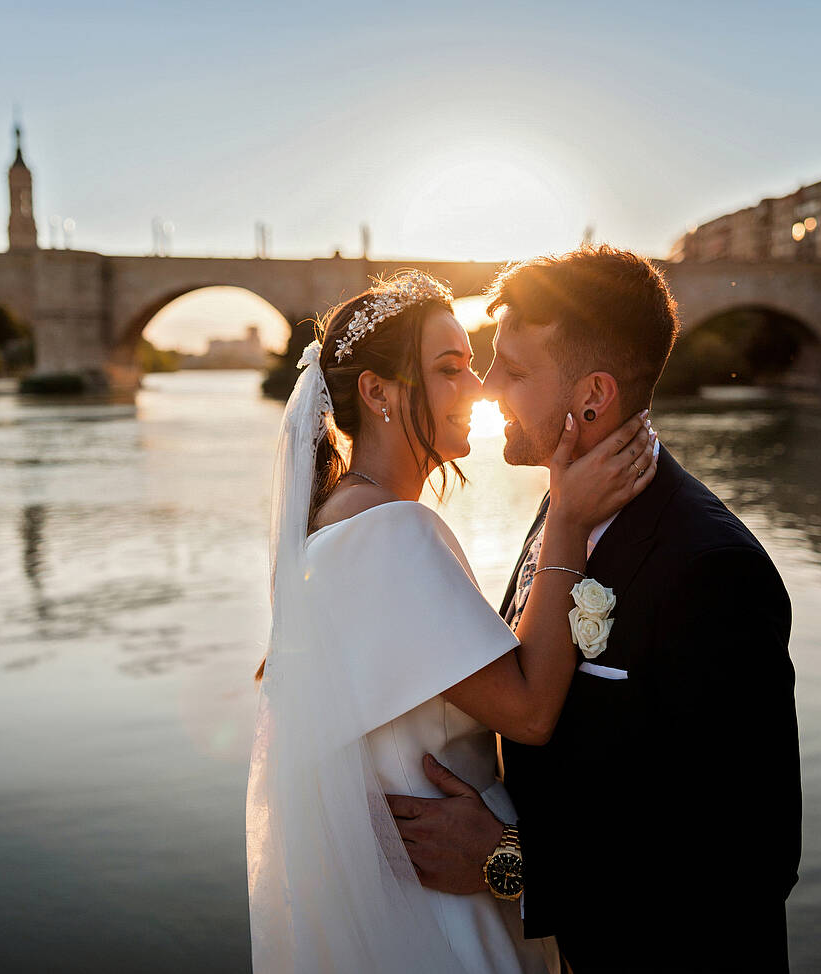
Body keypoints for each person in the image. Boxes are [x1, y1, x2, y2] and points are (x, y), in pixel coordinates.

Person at [385, 245, 803, 972]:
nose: (485, 390)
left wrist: (508, 864)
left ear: (593, 397)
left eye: (512, 371)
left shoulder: (712, 570)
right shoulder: (565, 503)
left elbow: (750, 860)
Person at [246, 269, 659, 973]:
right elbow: (528, 713)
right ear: (376, 393)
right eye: (448, 370)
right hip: (445, 908)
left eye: (471, 366)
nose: (478, 389)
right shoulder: (390, 533)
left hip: (403, 897)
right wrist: (568, 519)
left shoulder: (336, 520)